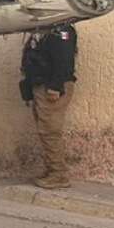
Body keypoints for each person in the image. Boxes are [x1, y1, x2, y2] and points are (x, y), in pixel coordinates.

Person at [20, 24, 78, 189]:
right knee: (44, 130)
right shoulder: (41, 30)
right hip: (40, 84)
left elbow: (65, 60)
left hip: (51, 87)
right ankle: (51, 170)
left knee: (50, 131)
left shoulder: (62, 31)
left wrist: (56, 86)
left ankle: (58, 174)